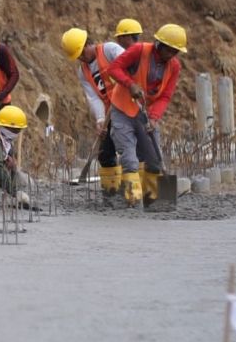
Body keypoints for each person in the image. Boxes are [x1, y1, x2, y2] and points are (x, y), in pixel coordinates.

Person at [106, 24, 186, 206]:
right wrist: (130, 84)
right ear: (160, 44)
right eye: (170, 50)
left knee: (154, 160)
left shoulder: (174, 66)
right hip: (123, 109)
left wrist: (154, 117)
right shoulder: (139, 51)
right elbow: (114, 69)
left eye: (176, 52)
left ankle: (154, 200)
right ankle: (132, 200)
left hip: (145, 114)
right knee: (129, 157)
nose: (172, 55)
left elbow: (165, 96)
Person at [61, 28, 126, 196]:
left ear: (88, 43)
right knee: (104, 153)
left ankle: (139, 189)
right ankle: (112, 192)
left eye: (82, 53)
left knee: (130, 149)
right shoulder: (83, 72)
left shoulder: (110, 50)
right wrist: (100, 119)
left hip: (130, 106)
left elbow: (131, 67)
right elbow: (94, 97)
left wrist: (122, 86)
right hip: (110, 111)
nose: (81, 58)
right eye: (78, 57)